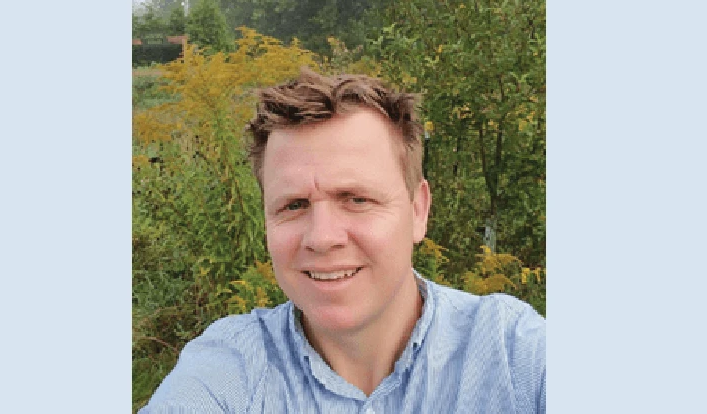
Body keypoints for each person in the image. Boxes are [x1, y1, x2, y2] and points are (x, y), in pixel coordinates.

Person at [140, 68, 546, 413]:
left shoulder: (513, 355)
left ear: (418, 210)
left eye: (356, 199)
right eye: (294, 205)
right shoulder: (227, 372)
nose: (322, 238)